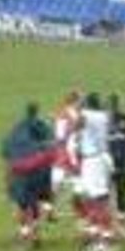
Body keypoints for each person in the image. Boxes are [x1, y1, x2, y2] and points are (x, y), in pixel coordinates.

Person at [1, 103, 57, 249]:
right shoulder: (41, 125)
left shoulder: (16, 129)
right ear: (37, 112)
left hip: (19, 171)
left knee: (22, 205)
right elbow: (51, 144)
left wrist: (8, 177)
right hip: (37, 169)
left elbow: (6, 152)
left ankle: (25, 233)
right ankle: (36, 234)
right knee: (34, 203)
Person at [75, 93, 118, 251]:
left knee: (100, 201)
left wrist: (78, 107)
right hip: (96, 159)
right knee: (91, 200)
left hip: (94, 161)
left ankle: (106, 242)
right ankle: (98, 238)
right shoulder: (102, 115)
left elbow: (77, 125)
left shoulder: (88, 114)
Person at [49, 91, 83, 222]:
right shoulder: (65, 115)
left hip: (70, 152)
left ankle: (50, 208)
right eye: (80, 100)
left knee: (61, 181)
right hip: (66, 153)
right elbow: (60, 136)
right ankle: (50, 209)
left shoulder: (75, 114)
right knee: (59, 181)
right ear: (75, 101)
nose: (82, 103)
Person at [107, 93, 125, 233]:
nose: (113, 109)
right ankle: (108, 226)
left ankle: (121, 226)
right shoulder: (103, 121)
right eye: (111, 106)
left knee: (121, 194)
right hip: (108, 164)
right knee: (107, 195)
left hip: (122, 163)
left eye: (114, 105)